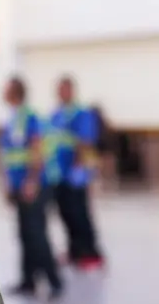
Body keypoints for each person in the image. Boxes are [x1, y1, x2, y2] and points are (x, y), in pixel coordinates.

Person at [1, 76, 63, 300]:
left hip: (34, 185)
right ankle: (28, 280)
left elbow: (36, 150)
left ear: (15, 91)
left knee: (37, 234)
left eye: (6, 88)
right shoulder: (12, 118)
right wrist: (9, 185)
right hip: (19, 186)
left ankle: (55, 282)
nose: (2, 92)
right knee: (24, 233)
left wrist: (31, 181)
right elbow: (11, 156)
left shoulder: (30, 117)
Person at [49, 76, 105, 269]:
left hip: (75, 173)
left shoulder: (81, 114)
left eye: (64, 89)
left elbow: (85, 142)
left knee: (80, 213)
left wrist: (78, 167)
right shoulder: (56, 115)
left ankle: (91, 252)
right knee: (66, 214)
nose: (61, 93)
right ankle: (74, 250)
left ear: (72, 90)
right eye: (59, 89)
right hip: (59, 174)